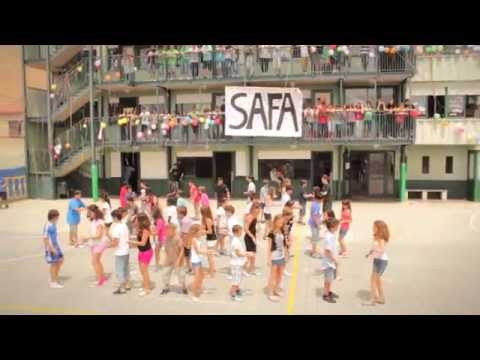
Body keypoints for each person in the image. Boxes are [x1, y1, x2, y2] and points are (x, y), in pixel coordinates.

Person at [83, 205, 110, 287]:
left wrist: (86, 238)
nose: (89, 213)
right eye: (88, 212)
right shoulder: (94, 221)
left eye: (90, 212)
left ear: (95, 212)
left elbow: (99, 236)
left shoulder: (99, 222)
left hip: (100, 243)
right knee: (96, 261)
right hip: (94, 243)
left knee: (95, 262)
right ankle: (102, 278)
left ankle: (100, 280)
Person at [365, 220, 390, 306]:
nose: (373, 228)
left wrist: (374, 250)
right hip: (376, 260)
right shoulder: (375, 237)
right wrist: (369, 253)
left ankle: (373, 300)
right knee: (377, 280)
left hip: (382, 261)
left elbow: (382, 250)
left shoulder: (381, 238)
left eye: (374, 227)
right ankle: (381, 298)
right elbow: (373, 247)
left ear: (378, 228)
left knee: (373, 280)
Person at [129, 213, 153, 297]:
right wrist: (132, 244)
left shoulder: (145, 230)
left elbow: (142, 243)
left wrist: (131, 242)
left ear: (141, 221)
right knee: (142, 271)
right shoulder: (139, 229)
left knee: (144, 271)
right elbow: (138, 243)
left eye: (137, 220)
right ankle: (146, 285)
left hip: (146, 252)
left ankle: (147, 289)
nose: (135, 221)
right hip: (141, 252)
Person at [160, 223, 188, 296]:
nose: (167, 231)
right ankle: (166, 288)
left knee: (181, 275)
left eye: (169, 230)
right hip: (169, 260)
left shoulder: (178, 239)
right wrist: (164, 258)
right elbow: (165, 249)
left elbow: (182, 250)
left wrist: (179, 260)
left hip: (177, 260)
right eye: (166, 230)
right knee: (165, 274)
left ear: (174, 230)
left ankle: (184, 287)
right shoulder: (166, 238)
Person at [109, 208, 132, 295]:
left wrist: (106, 246)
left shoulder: (116, 228)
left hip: (120, 252)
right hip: (126, 250)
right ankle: (127, 285)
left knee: (119, 270)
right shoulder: (124, 225)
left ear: (115, 217)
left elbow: (115, 243)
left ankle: (122, 288)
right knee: (126, 269)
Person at [266, 215, 286, 302]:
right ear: (275, 222)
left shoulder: (281, 231)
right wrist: (269, 259)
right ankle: (270, 293)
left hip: (281, 256)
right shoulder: (271, 233)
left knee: (280, 274)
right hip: (274, 256)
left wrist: (286, 255)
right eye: (279, 222)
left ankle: (276, 289)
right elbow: (269, 247)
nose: (281, 224)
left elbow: (283, 244)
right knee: (272, 275)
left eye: (282, 222)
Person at [43, 209, 64, 289]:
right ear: (53, 217)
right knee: (54, 264)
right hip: (52, 248)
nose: (58, 219)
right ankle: (53, 282)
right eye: (57, 217)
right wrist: (51, 249)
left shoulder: (53, 224)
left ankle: (54, 276)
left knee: (61, 260)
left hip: (57, 246)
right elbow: (45, 238)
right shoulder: (48, 225)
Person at [229, 224, 249, 302]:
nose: (242, 233)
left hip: (237, 263)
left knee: (238, 278)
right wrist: (247, 254)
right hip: (236, 263)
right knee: (236, 280)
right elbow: (238, 253)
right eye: (241, 231)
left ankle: (237, 290)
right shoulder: (235, 241)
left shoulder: (236, 240)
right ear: (236, 232)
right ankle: (233, 294)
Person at [322, 218, 340, 303]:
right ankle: (326, 294)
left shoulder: (331, 235)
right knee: (328, 279)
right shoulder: (329, 237)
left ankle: (329, 291)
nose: (338, 227)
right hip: (329, 262)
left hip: (331, 261)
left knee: (331, 278)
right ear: (333, 227)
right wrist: (334, 259)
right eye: (337, 226)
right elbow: (327, 251)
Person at [188, 224, 208, 302]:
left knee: (202, 276)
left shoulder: (198, 238)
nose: (201, 232)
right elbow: (198, 251)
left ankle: (199, 288)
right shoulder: (194, 240)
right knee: (196, 278)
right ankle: (194, 295)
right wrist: (208, 252)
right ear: (196, 232)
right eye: (200, 230)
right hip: (195, 261)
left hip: (199, 260)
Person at [244, 203, 261, 276]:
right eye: (256, 211)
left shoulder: (255, 217)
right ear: (252, 210)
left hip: (253, 236)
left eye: (258, 211)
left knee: (253, 255)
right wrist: (252, 237)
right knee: (249, 255)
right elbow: (246, 229)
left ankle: (252, 270)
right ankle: (244, 270)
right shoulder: (250, 217)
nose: (258, 213)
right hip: (248, 237)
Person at [201, 206, 217, 278]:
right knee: (210, 256)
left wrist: (203, 232)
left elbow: (210, 231)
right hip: (211, 239)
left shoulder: (208, 219)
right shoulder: (207, 218)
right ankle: (212, 270)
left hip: (211, 239)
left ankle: (211, 273)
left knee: (210, 257)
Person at [177, 205, 193, 273]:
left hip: (185, 239)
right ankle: (188, 267)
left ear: (181, 214)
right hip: (189, 238)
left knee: (186, 254)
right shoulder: (188, 219)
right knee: (187, 253)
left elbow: (183, 232)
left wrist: (179, 238)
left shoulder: (184, 221)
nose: (177, 215)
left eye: (178, 213)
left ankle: (189, 268)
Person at [308, 191, 323, 258]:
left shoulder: (315, 203)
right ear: (318, 199)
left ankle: (314, 250)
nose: (322, 200)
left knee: (315, 238)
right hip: (314, 224)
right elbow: (315, 216)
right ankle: (313, 252)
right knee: (315, 238)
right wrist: (318, 225)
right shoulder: (316, 205)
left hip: (313, 223)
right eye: (321, 199)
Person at [152, 206, 167, 271]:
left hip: (161, 238)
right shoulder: (161, 219)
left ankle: (157, 265)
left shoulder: (159, 220)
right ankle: (158, 265)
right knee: (158, 252)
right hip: (162, 238)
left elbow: (157, 232)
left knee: (157, 252)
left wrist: (149, 232)